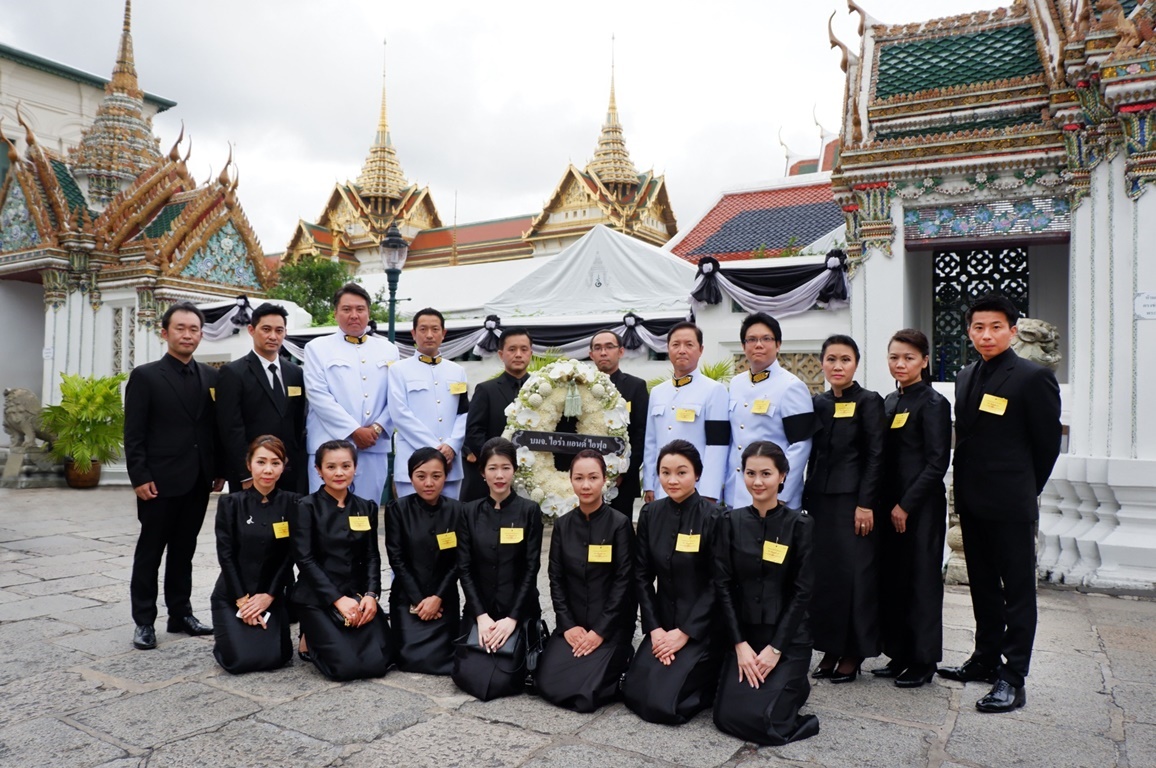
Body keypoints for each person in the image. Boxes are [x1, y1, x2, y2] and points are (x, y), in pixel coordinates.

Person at [939, 294, 1062, 713]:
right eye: (978, 327)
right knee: (984, 587)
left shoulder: (1032, 377)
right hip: (972, 501)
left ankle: (1013, 677)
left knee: (1018, 592)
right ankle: (985, 658)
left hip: (1011, 503)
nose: (986, 335)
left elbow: (1046, 446)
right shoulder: (965, 376)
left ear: (1012, 330)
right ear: (969, 332)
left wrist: (1025, 489)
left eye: (995, 327)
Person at [124, 302, 224, 650]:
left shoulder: (211, 377)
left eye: (194, 329)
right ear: (165, 332)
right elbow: (134, 432)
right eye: (180, 328)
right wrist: (139, 476)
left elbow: (214, 429)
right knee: (150, 551)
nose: (187, 335)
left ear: (201, 334)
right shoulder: (146, 376)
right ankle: (144, 621)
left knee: (184, 550)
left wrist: (218, 470)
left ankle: (180, 614)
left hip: (197, 479)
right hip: (159, 481)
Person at [713, 441, 819, 746]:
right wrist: (740, 645)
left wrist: (776, 649)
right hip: (745, 637)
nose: (757, 482)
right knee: (726, 717)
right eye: (751, 473)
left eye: (766, 474)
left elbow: (802, 592)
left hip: (786, 640)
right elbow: (723, 585)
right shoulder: (729, 522)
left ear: (782, 475)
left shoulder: (800, 525)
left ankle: (792, 682)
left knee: (767, 724)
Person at [804, 335, 885, 683]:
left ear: (856, 364)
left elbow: (876, 456)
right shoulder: (818, 403)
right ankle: (830, 647)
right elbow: (810, 453)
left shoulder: (869, 401)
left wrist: (866, 503)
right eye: (831, 359)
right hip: (820, 501)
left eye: (845, 360)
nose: (838, 366)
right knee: (825, 577)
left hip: (854, 502)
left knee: (854, 576)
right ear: (822, 362)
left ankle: (854, 651)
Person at [622, 440, 720, 724]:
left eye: (681, 472)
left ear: (697, 474)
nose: (672, 480)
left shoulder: (715, 517)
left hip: (700, 627)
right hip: (663, 624)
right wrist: (654, 629)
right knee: (634, 691)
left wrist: (685, 632)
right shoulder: (650, 514)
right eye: (665, 473)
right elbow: (642, 575)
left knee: (665, 704)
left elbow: (718, 583)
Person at [874, 329, 952, 688]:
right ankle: (899, 653)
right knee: (895, 580)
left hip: (920, 508)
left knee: (922, 581)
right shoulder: (890, 401)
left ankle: (923, 660)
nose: (900, 364)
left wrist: (906, 505)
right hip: (889, 506)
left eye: (908, 357)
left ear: (924, 361)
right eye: (894, 357)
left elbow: (937, 463)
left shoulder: (934, 403)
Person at [537, 450, 636, 713]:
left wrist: (600, 631)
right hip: (575, 623)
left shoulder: (619, 524)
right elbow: (556, 579)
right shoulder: (563, 525)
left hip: (610, 626)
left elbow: (624, 582)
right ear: (570, 480)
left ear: (605, 480)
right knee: (546, 682)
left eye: (593, 477)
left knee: (587, 693)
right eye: (579, 478)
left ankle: (621, 657)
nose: (586, 485)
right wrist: (568, 626)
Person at [290, 440, 392, 681]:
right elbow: (305, 559)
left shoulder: (366, 507)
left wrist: (371, 595)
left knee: (383, 660)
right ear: (318, 470)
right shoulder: (305, 507)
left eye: (346, 466)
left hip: (357, 596)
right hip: (318, 597)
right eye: (331, 467)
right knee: (345, 668)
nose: (339, 473)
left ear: (355, 467)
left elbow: (371, 555)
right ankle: (309, 634)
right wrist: (337, 599)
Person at [453, 437, 545, 700]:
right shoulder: (469, 512)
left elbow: (531, 569)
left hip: (517, 610)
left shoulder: (529, 511)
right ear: (482, 472)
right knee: (467, 674)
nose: (499, 475)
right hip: (480, 610)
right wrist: (481, 617)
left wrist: (512, 619)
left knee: (509, 677)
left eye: (505, 467)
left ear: (514, 469)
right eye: (492, 468)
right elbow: (464, 568)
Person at [303, 283, 398, 504]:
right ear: (335, 313)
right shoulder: (317, 348)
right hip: (329, 448)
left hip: (373, 447)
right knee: (326, 513)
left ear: (368, 313)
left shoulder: (389, 349)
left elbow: (396, 396)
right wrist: (353, 431)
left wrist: (377, 428)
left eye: (360, 309)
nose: (354, 315)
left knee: (367, 511)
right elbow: (318, 395)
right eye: (346, 309)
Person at [211, 435, 297, 673]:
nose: (268, 470)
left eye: (275, 463)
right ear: (249, 465)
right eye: (261, 462)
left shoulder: (294, 503)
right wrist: (243, 600)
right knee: (238, 661)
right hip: (233, 595)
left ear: (283, 466)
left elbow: (291, 555)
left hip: (270, 595)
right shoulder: (231, 503)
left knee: (278, 657)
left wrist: (269, 596)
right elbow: (225, 555)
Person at [725, 312, 814, 510]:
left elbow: (801, 445)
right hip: (737, 494)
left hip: (775, 497)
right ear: (743, 346)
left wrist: (782, 493)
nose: (758, 345)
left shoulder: (792, 386)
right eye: (751, 339)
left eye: (766, 339)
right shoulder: (736, 384)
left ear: (778, 344)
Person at [385, 448, 462, 675]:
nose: (429, 483)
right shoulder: (397, 509)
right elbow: (396, 559)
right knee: (409, 659)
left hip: (444, 599)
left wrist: (437, 598)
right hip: (408, 598)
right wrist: (420, 601)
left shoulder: (458, 510)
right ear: (411, 477)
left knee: (447, 658)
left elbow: (460, 560)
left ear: (445, 477)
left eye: (436, 476)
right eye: (421, 476)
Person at [216, 302, 308, 494]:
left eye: (279, 330)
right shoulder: (233, 373)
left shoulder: (295, 373)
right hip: (253, 473)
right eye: (266, 329)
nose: (273, 336)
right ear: (251, 330)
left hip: (289, 472)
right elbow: (230, 428)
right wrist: (245, 473)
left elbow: (298, 422)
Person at [389, 308, 469, 500]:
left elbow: (463, 412)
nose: (429, 335)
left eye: (435, 329)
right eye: (423, 329)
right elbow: (400, 414)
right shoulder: (399, 370)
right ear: (413, 333)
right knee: (411, 516)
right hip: (412, 465)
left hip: (450, 464)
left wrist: (452, 445)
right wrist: (436, 451)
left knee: (449, 516)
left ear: (443, 333)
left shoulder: (457, 371)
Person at [643, 322, 729, 502]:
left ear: (701, 349)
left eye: (689, 345)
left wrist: (709, 492)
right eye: (676, 344)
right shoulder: (658, 392)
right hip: (662, 488)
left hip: (697, 490)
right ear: (668, 349)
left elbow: (717, 446)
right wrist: (649, 484)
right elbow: (651, 442)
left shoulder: (714, 390)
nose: (682, 350)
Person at [461, 328, 532, 502]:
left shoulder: (544, 388)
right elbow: (474, 432)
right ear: (501, 354)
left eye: (523, 349)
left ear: (531, 353)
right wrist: (495, 463)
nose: (518, 354)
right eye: (512, 349)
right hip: (494, 480)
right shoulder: (486, 390)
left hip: (534, 476)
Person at [589, 330, 649, 514]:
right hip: (586, 477)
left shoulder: (635, 386)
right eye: (598, 348)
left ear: (621, 351)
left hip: (623, 481)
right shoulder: (580, 386)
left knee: (620, 527)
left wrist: (622, 472)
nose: (603, 352)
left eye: (609, 347)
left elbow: (641, 434)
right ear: (591, 354)